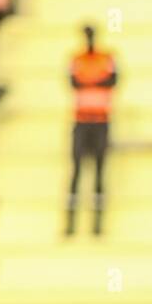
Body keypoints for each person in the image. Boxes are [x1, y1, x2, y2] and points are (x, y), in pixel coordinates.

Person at [65, 23, 115, 237]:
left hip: (101, 120)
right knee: (76, 170)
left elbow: (112, 80)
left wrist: (89, 80)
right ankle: (70, 220)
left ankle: (98, 222)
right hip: (81, 120)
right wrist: (95, 80)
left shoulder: (106, 58)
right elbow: (73, 82)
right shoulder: (77, 59)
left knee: (99, 171)